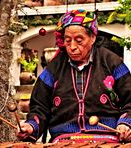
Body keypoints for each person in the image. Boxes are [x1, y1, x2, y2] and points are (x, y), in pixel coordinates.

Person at [16, 9, 131, 143]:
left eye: (79, 40)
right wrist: (30, 126)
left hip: (106, 139)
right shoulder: (54, 68)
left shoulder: (112, 63)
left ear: (93, 37)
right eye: (68, 40)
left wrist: (126, 123)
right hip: (63, 140)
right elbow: (40, 107)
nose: (72, 46)